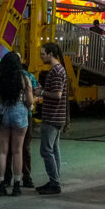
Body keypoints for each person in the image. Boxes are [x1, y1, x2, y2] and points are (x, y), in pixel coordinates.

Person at [0, 50, 33, 195]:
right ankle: (16, 185)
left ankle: (1, 184)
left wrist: (0, 107)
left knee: (2, 151)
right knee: (17, 151)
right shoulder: (24, 78)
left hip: (2, 113)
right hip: (19, 113)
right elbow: (30, 101)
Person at [36, 41, 68, 195]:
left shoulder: (55, 72)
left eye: (43, 54)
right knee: (54, 149)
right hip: (58, 116)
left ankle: (54, 182)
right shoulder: (60, 70)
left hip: (52, 116)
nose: (41, 57)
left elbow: (57, 95)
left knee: (46, 150)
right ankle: (55, 179)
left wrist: (41, 93)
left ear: (50, 54)